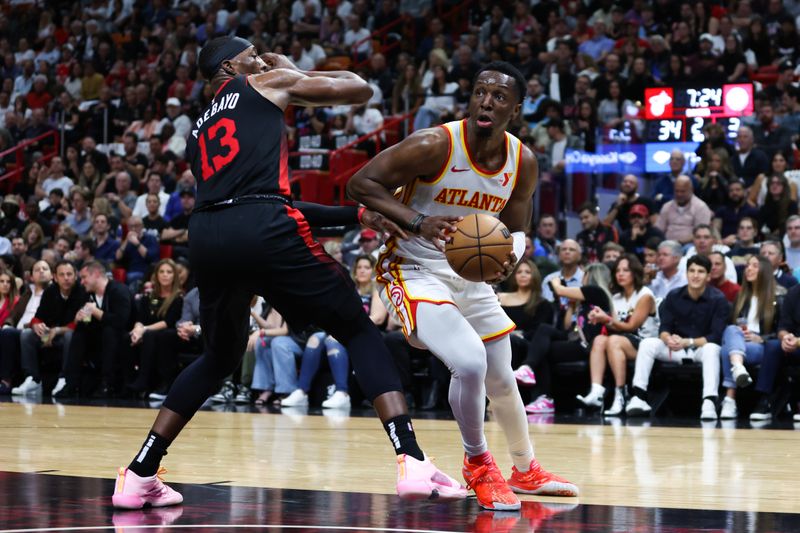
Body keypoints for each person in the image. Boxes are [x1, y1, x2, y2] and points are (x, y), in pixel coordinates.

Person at [112, 37, 466, 510]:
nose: (261, 58)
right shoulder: (263, 80)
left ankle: (139, 474)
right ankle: (413, 460)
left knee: (218, 359)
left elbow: (261, 201)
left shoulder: (199, 128)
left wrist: (355, 216)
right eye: (253, 53)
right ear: (231, 65)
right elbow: (359, 89)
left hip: (209, 233)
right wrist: (291, 67)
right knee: (357, 328)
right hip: (261, 227)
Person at [348, 61, 578, 511]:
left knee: (501, 376)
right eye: (479, 92)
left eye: (498, 96)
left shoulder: (522, 161)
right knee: (469, 363)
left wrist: (511, 257)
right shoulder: (435, 143)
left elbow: (516, 227)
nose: (485, 101)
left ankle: (525, 468)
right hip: (413, 266)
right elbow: (361, 183)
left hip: (469, 272)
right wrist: (417, 220)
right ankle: (478, 464)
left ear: (516, 108)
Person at [625, 255, 731, 420]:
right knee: (648, 343)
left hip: (701, 350)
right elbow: (664, 327)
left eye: (701, 271)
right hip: (675, 348)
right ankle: (639, 397)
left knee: (712, 349)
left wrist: (687, 342)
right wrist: (668, 338)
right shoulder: (674, 296)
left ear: (708, 276)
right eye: (692, 271)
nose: (695, 275)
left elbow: (715, 336)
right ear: (686, 273)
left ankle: (709, 402)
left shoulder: (719, 300)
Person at [522, 264, 614, 414]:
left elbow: (559, 290)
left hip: (587, 345)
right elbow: (566, 326)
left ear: (590, 276)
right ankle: (529, 370)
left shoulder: (596, 292)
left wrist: (556, 281)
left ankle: (544, 396)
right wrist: (572, 306)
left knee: (542, 350)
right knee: (544, 331)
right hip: (574, 339)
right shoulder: (585, 299)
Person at [576, 254, 658, 416]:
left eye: (625, 270)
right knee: (600, 339)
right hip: (621, 342)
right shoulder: (616, 297)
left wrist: (605, 319)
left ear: (634, 272)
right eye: (618, 270)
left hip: (646, 346)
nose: (620, 274)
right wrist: (597, 317)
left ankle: (621, 395)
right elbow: (613, 326)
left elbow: (631, 327)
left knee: (614, 340)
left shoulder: (645, 295)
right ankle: (596, 391)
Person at [55, 260, 133, 398]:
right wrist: (80, 319)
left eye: (84, 277)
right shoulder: (87, 295)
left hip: (124, 337)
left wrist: (95, 311)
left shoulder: (119, 290)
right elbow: (87, 323)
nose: (82, 282)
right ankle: (71, 382)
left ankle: (107, 384)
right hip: (98, 338)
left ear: (96, 274)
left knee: (110, 332)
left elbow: (121, 322)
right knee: (79, 333)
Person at [12, 260, 87, 396]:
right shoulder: (50, 291)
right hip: (49, 335)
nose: (66, 278)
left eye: (69, 274)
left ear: (76, 276)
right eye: (62, 274)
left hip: (70, 335)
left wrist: (58, 330)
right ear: (55, 277)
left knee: (71, 335)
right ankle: (33, 379)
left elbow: (86, 323)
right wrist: (36, 325)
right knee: (27, 334)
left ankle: (64, 378)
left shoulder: (84, 292)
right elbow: (38, 316)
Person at [718, 255, 779, 419]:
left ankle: (730, 399)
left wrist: (762, 338)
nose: (749, 269)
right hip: (739, 343)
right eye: (747, 265)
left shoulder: (778, 297)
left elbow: (781, 330)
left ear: (765, 271)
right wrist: (740, 333)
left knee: (727, 350)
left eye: (755, 265)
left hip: (761, 347)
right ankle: (738, 368)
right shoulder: (741, 296)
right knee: (731, 331)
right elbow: (733, 325)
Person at [655, 176, 713, 245]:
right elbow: (658, 230)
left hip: (690, 245)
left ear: (691, 190)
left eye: (682, 191)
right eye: (677, 191)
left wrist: (679, 242)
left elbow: (701, 233)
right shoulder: (667, 206)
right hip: (667, 244)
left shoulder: (701, 207)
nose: (679, 194)